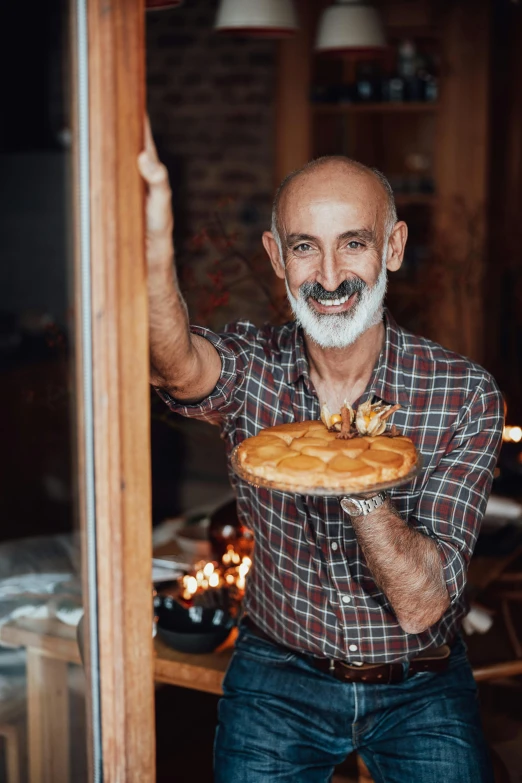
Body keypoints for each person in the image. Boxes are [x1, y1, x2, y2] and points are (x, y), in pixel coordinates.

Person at [138, 120, 503, 783]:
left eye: (353, 244)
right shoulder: (254, 365)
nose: (329, 276)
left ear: (392, 247)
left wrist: (355, 475)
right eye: (306, 248)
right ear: (277, 257)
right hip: (278, 672)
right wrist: (153, 244)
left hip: (419, 680)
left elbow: (424, 605)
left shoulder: (464, 393)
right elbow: (174, 366)